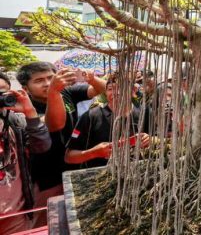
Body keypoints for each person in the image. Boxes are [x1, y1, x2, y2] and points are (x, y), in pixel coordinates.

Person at [16, 61, 106, 220]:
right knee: (51, 219)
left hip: (76, 164)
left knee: (80, 215)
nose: (47, 83)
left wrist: (91, 79)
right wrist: (54, 90)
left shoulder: (67, 92)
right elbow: (56, 124)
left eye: (51, 78)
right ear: (25, 88)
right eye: (39, 81)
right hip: (47, 176)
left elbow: (101, 89)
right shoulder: (24, 108)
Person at [0, 73, 51, 234]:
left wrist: (30, 113)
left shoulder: (15, 122)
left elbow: (42, 147)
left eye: (1, 92)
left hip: (14, 215)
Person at [65, 73, 151, 168]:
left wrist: (150, 139)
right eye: (111, 89)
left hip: (137, 176)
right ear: (105, 92)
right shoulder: (90, 116)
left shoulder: (145, 112)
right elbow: (69, 157)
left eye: (122, 88)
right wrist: (94, 153)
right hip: (99, 178)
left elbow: (162, 140)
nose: (116, 92)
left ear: (133, 90)